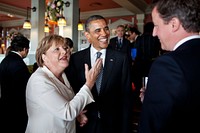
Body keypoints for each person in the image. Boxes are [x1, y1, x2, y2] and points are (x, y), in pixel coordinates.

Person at [138, 0, 200, 133]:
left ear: (173, 24)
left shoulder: (168, 64)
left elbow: (152, 124)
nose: (154, 33)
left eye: (156, 25)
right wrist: (153, 97)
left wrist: (152, 104)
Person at [66, 15, 133, 133]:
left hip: (113, 125)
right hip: (84, 124)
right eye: (98, 30)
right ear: (87, 35)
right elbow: (71, 92)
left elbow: (126, 97)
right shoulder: (76, 59)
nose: (105, 33)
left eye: (106, 29)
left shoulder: (121, 58)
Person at [25, 34, 103, 133]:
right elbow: (67, 112)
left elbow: (65, 104)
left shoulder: (63, 75)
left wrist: (77, 113)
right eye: (57, 49)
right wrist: (89, 83)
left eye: (65, 48)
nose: (64, 51)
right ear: (44, 57)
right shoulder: (39, 81)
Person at [0, 35, 31, 132]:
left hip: (5, 104)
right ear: (25, 49)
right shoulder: (19, 64)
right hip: (17, 107)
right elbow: (26, 87)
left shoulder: (5, 60)